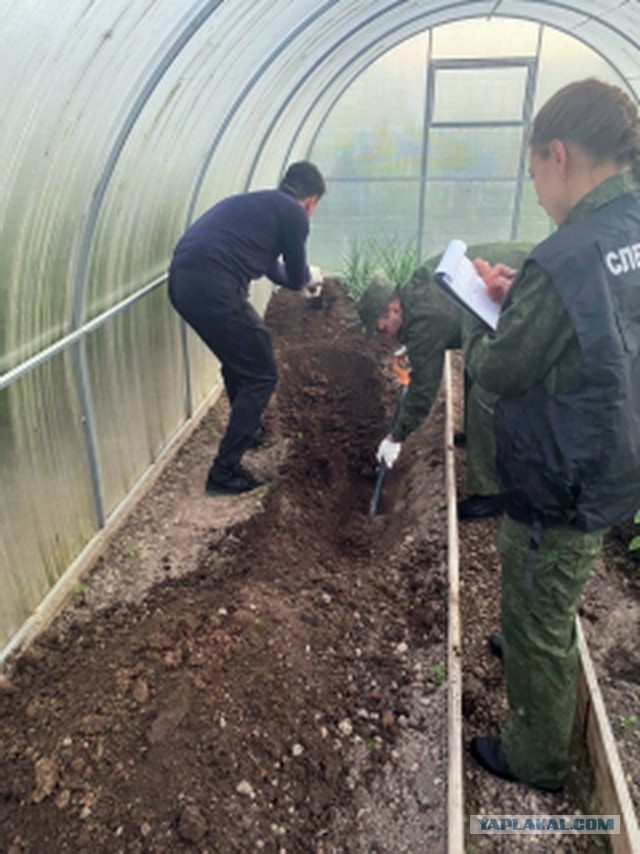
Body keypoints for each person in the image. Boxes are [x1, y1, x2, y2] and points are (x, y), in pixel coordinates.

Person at [464, 79, 640, 791]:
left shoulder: (564, 256)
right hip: (615, 451)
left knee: (538, 583)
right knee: (555, 580)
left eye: (534, 173)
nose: (537, 191)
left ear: (559, 155)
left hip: (564, 466)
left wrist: (490, 316)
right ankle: (530, 636)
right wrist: (526, 302)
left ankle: (537, 756)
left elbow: (500, 369)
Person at [168, 161, 326, 495]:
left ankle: (248, 428)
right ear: (311, 202)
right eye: (314, 208)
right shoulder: (294, 215)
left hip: (184, 285)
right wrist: (310, 276)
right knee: (262, 373)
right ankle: (224, 472)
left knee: (242, 358)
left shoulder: (257, 208)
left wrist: (299, 279)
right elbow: (296, 277)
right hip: (214, 286)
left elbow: (275, 272)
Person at [356, 242, 532, 520]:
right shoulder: (418, 290)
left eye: (380, 325)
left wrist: (396, 436)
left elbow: (423, 391)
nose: (381, 333)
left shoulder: (423, 319)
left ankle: (489, 495)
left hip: (523, 289)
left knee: (484, 396)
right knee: (475, 367)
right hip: (509, 286)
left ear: (392, 307)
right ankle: (475, 437)